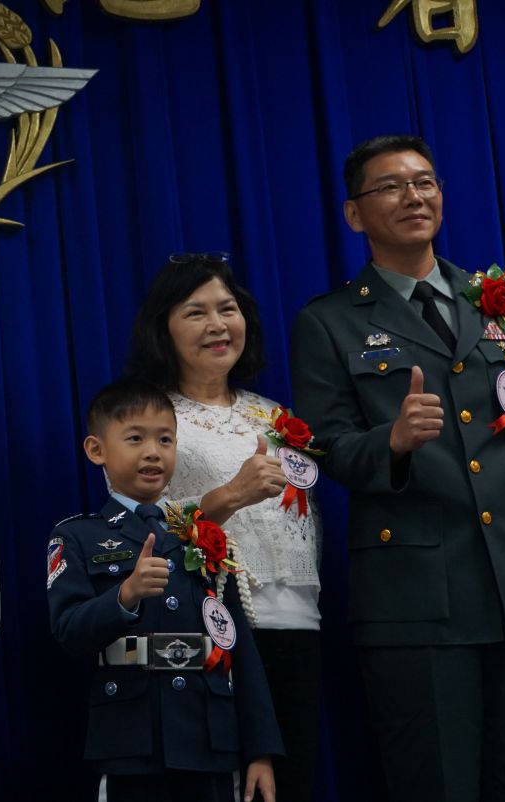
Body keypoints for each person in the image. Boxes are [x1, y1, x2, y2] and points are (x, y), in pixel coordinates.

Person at [290, 134, 505, 802]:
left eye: (424, 181)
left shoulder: (497, 301)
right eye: (391, 186)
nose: (413, 196)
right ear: (354, 214)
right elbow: (326, 448)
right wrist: (394, 443)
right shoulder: (330, 321)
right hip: (417, 597)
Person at [127, 253, 322, 801]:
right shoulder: (150, 416)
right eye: (196, 312)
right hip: (212, 630)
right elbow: (133, 525)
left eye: (227, 309)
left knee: (291, 785)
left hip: (300, 625)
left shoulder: (274, 415)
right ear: (163, 329)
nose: (217, 325)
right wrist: (230, 495)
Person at [46, 378, 282, 802]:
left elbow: (237, 647)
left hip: (209, 739)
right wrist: (126, 595)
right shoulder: (79, 536)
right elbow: (69, 631)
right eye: (135, 438)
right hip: (132, 740)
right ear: (97, 450)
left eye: (165, 439)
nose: (153, 451)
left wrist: (260, 750)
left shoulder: (203, 536)